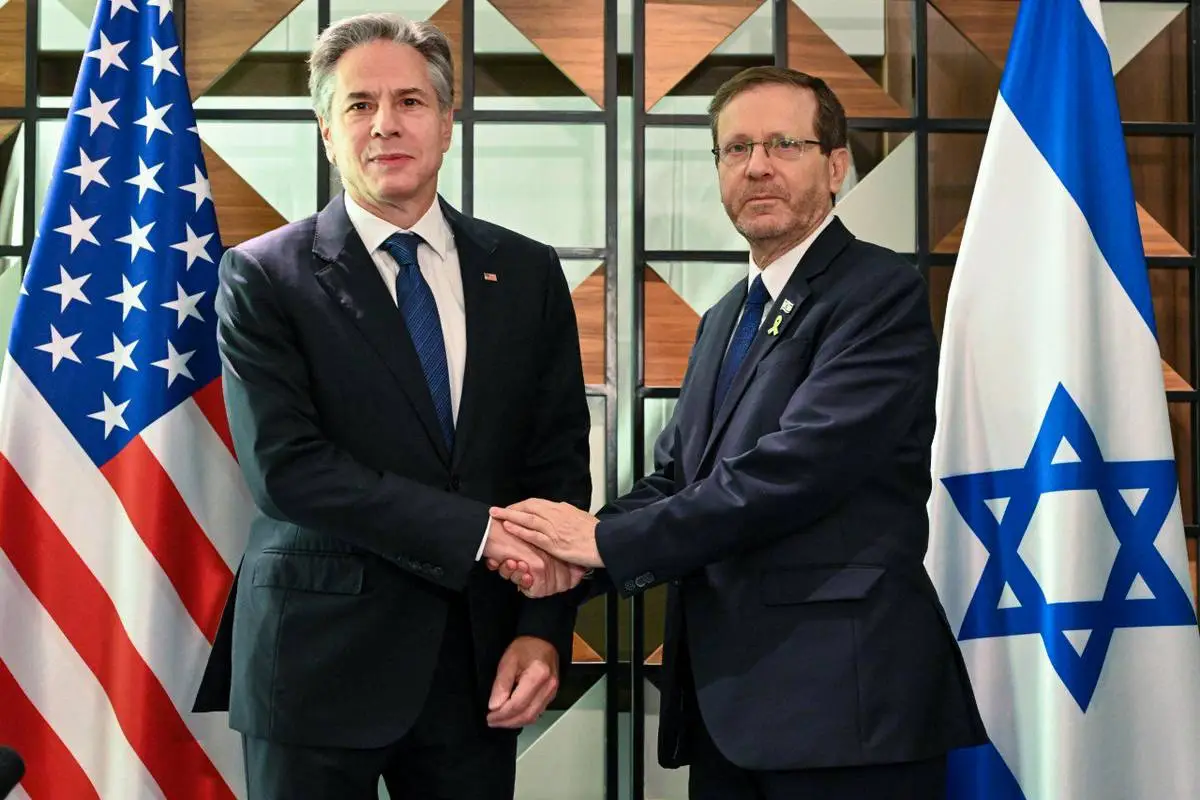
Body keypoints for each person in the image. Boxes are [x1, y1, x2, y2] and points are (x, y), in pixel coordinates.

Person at [490, 66, 988, 799]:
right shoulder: (726, 316)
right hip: (730, 709)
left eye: (784, 144)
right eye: (736, 148)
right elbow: (677, 480)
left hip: (847, 712)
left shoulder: (878, 292)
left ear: (836, 166)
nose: (757, 166)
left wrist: (602, 543)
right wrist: (566, 562)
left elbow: (796, 469)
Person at [191, 13, 591, 799]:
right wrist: (478, 534)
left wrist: (543, 631)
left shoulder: (527, 272)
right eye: (359, 104)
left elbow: (556, 469)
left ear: (446, 122)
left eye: (410, 101)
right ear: (327, 132)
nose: (385, 124)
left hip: (478, 666)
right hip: (315, 665)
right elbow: (287, 472)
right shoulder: (264, 276)